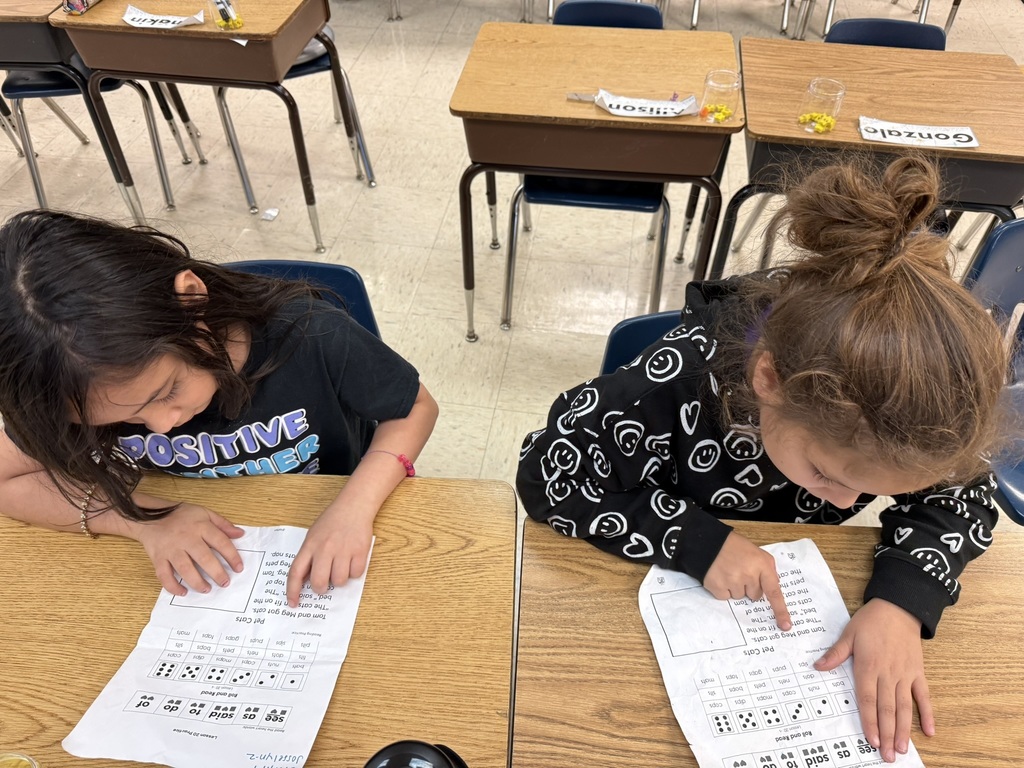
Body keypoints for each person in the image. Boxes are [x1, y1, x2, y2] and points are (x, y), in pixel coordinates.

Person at [516, 156, 1010, 764]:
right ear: (768, 380)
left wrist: (903, 601)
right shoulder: (668, 386)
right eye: (827, 475)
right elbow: (546, 475)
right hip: (622, 615)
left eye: (867, 492)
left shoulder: (898, 417)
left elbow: (963, 495)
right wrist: (695, 542)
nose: (845, 504)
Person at [0, 210, 438, 609]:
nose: (163, 424)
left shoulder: (312, 336)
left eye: (167, 390)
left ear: (191, 300)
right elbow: (8, 479)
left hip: (327, 512)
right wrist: (144, 520)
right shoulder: (58, 386)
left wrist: (354, 507)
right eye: (122, 420)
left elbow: (415, 407)